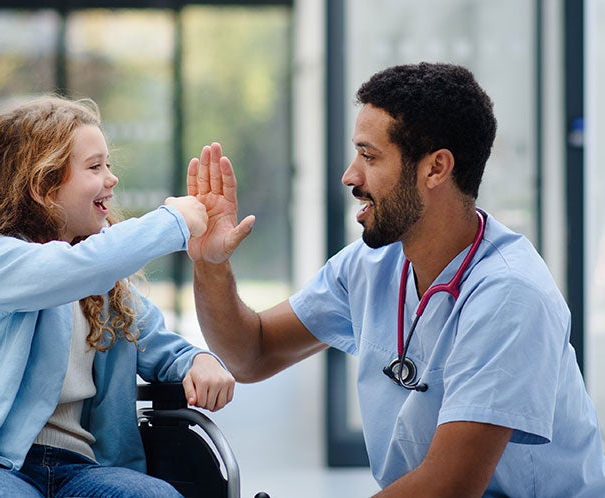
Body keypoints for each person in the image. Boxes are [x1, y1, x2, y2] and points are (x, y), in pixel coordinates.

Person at [187, 62, 605, 497]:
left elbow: (449, 487)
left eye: (369, 156)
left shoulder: (510, 294)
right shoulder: (372, 265)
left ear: (435, 168)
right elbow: (251, 353)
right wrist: (211, 263)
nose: (350, 175)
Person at [0, 95, 235, 498]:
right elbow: (75, 268)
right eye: (95, 167)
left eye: (109, 165)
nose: (112, 178)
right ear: (42, 185)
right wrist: (173, 221)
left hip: (82, 470)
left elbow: (160, 345)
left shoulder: (105, 287)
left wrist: (199, 360)